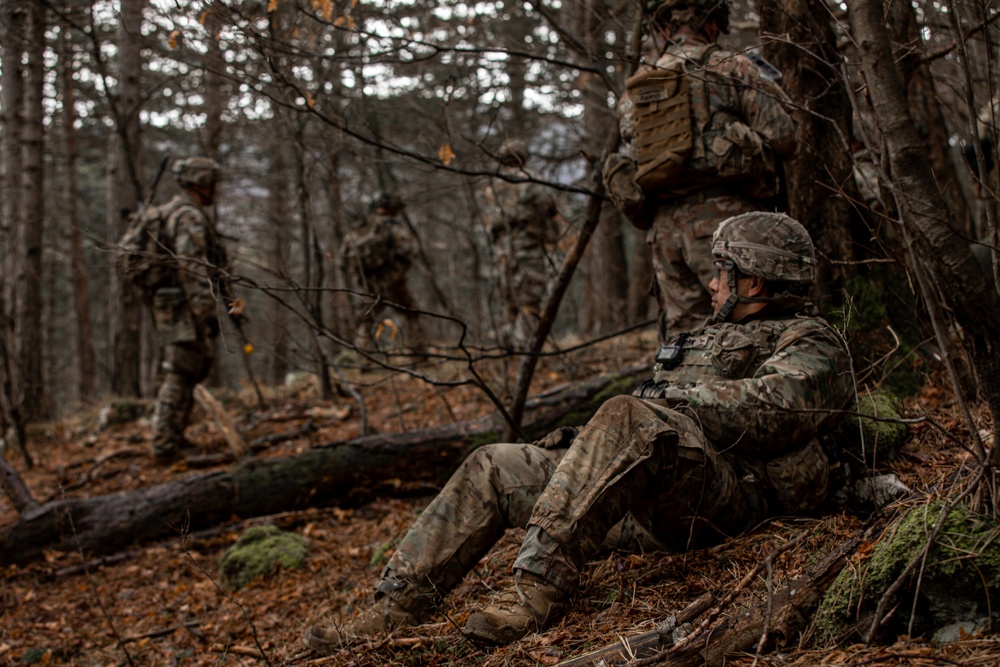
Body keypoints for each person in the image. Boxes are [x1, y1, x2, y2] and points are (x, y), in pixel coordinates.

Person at [302, 211, 854, 653]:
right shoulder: (709, 335)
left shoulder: (810, 340)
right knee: (493, 464)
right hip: (649, 497)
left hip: (728, 497)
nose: (711, 284)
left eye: (721, 273)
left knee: (628, 413)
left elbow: (783, 408)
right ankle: (398, 605)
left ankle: (537, 590)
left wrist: (670, 400)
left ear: (753, 279)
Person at [605, 0, 797, 341]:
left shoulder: (636, 88)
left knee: (684, 340)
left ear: (663, 28)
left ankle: (685, 395)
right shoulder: (730, 66)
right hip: (726, 223)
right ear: (712, 22)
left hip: (663, 232)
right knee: (746, 330)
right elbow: (784, 136)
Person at [146, 156, 230, 461]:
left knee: (191, 367)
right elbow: (192, 266)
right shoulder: (188, 216)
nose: (216, 191)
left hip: (176, 303)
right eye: (212, 184)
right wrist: (204, 309)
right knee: (181, 370)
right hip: (183, 305)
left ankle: (172, 436)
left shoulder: (176, 211)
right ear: (201, 183)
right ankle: (166, 442)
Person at [478, 140, 563, 348]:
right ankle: (527, 349)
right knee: (528, 299)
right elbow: (549, 208)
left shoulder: (492, 186)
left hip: (502, 250)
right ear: (523, 158)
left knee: (508, 300)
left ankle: (510, 348)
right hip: (527, 247)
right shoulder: (531, 180)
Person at [342, 193, 427, 351]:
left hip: (370, 283)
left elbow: (344, 255)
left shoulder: (363, 227)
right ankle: (419, 353)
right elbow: (410, 250)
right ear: (392, 208)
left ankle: (363, 358)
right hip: (393, 281)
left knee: (366, 319)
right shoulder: (392, 226)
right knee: (411, 314)